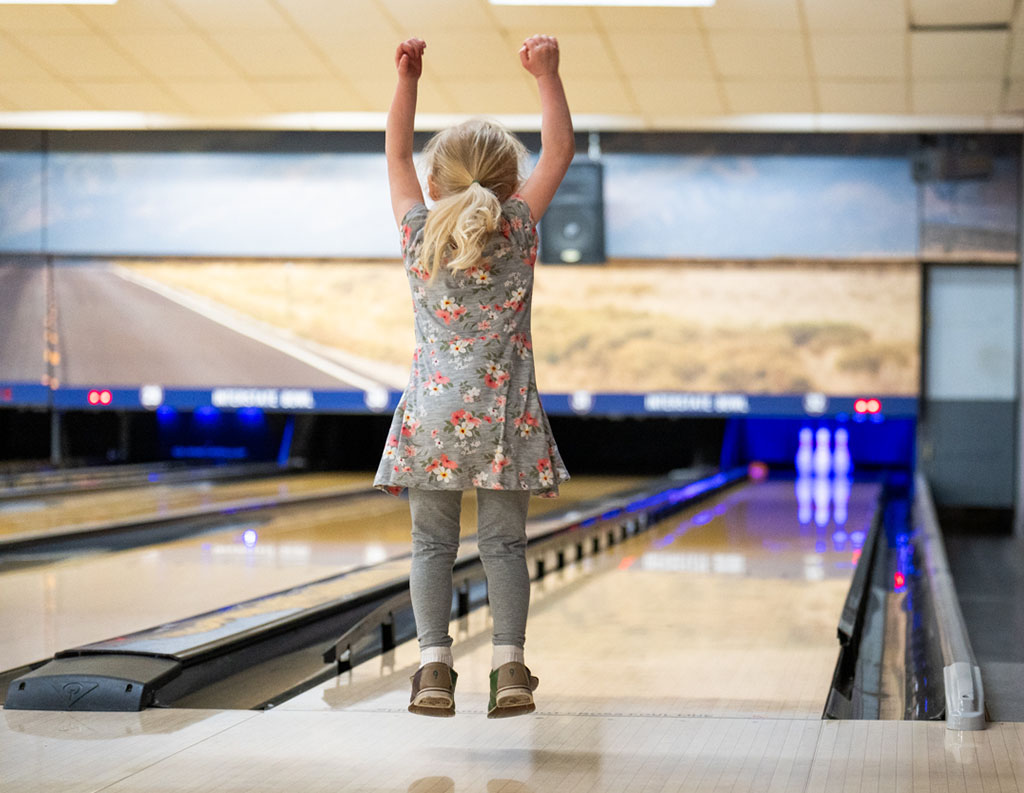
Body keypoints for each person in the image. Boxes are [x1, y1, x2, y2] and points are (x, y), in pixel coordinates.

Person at [373, 34, 574, 718]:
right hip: (504, 418)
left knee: (431, 545)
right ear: (511, 186)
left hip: (432, 421)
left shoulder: (418, 232)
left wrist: (408, 80)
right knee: (504, 545)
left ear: (435, 186)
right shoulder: (518, 228)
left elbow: (396, 154)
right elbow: (560, 151)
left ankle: (433, 670)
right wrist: (547, 75)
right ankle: (509, 668)